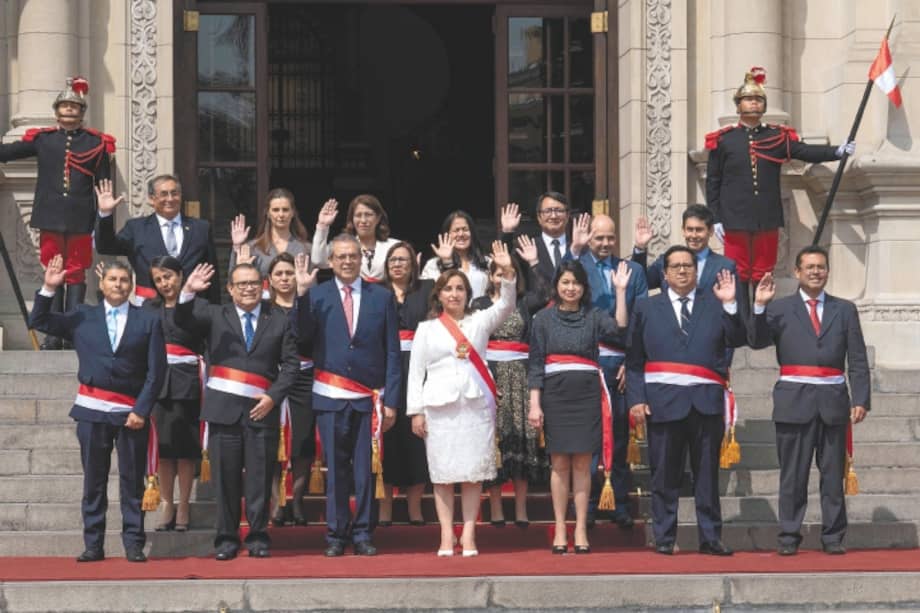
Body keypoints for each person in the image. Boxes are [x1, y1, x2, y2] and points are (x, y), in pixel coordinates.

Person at [29, 256, 166, 562]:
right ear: (101, 284)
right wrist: (49, 288)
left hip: (131, 413)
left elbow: (157, 371)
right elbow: (39, 322)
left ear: (130, 286)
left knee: (132, 481)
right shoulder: (82, 315)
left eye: (124, 281)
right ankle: (93, 544)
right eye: (113, 280)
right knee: (94, 481)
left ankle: (133, 543)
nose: (118, 285)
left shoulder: (148, 319)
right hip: (92, 411)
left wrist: (142, 410)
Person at [625, 246, 747, 556]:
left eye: (688, 266)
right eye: (675, 266)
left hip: (705, 403)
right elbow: (635, 360)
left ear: (697, 271)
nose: (682, 271)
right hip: (662, 403)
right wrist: (636, 399)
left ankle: (710, 538)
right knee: (664, 474)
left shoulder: (717, 304)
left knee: (707, 475)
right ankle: (665, 537)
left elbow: (738, 338)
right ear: (664, 274)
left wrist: (731, 303)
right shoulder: (645, 307)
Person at [749, 246, 870, 555]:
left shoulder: (844, 309)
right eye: (810, 267)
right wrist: (760, 307)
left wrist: (862, 398)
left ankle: (833, 538)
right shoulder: (780, 308)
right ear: (797, 272)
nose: (816, 271)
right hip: (794, 402)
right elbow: (757, 340)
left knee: (832, 476)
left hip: (832, 402)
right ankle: (789, 537)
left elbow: (856, 357)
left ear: (827, 271)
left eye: (821, 267)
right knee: (793, 475)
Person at [176, 262, 299, 560]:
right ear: (230, 289)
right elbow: (182, 321)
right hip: (223, 412)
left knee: (259, 479)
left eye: (254, 283)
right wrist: (187, 292)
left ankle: (258, 537)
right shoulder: (215, 315)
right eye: (241, 284)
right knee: (225, 479)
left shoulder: (279, 319)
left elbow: (292, 365)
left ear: (264, 285)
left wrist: (273, 396)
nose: (248, 288)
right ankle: (227, 539)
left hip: (262, 411)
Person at [705, 67, 855, 308]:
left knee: (764, 272)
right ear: (738, 105)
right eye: (748, 99)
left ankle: (762, 322)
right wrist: (715, 218)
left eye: (758, 99)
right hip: (734, 217)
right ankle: (742, 327)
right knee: (738, 273)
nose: (754, 103)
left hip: (767, 216)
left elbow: (804, 151)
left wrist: (836, 152)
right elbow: (713, 181)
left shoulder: (776, 137)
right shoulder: (723, 140)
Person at [407, 241, 517, 557]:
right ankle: (445, 535)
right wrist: (416, 411)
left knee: (472, 473)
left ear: (468, 293)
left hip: (475, 406)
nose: (454, 294)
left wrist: (507, 272)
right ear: (438, 295)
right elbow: (416, 373)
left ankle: (468, 534)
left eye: (460, 288)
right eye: (448, 289)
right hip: (438, 408)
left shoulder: (479, 320)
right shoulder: (426, 329)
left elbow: (507, 305)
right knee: (442, 475)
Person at [294, 234, 401, 557]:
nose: (347, 261)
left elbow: (393, 352)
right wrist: (300, 295)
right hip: (330, 396)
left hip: (369, 399)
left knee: (365, 469)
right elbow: (300, 338)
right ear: (330, 261)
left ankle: (364, 533)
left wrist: (392, 401)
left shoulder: (381, 297)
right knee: (337, 470)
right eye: (340, 256)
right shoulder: (317, 296)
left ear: (361, 259)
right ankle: (337, 535)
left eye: (353, 256)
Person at [1, 77, 115, 349]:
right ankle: (53, 333)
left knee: (75, 273)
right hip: (50, 215)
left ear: (81, 111)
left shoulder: (96, 144)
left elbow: (103, 184)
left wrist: (104, 214)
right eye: (63, 106)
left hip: (80, 217)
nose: (68, 110)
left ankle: (72, 332)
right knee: (53, 271)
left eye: (73, 106)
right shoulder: (44, 140)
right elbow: (9, 152)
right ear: (56, 111)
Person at [527, 260, 630, 554]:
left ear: (584, 288)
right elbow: (535, 364)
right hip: (555, 395)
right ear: (557, 286)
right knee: (559, 464)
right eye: (565, 283)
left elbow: (620, 328)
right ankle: (560, 525)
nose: (570, 288)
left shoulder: (594, 316)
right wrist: (535, 404)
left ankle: (581, 526)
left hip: (586, 394)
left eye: (576, 283)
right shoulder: (542, 320)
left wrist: (620, 291)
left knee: (583, 464)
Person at [567, 213, 648, 528]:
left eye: (609, 237)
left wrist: (633, 361)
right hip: (586, 363)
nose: (604, 243)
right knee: (587, 437)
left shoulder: (633, 270)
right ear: (589, 239)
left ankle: (619, 502)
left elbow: (640, 320)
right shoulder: (577, 269)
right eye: (598, 237)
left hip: (620, 366)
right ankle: (584, 504)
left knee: (618, 435)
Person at [473, 235, 550, 527]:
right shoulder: (479, 303)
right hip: (490, 377)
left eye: (507, 271)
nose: (501, 275)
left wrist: (532, 263)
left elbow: (546, 292)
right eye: (497, 271)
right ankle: (495, 507)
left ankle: (520, 508)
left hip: (520, 375)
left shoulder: (524, 302)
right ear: (490, 276)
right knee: (495, 444)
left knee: (521, 444)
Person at [143, 256, 206, 533]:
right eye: (158, 279)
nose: (164, 283)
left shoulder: (198, 306)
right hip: (158, 384)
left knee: (185, 449)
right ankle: (167, 502)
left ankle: (183, 504)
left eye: (168, 276)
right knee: (164, 449)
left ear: (180, 275)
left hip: (187, 383)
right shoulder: (149, 308)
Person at [94, 174, 221, 304]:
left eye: (174, 193)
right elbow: (105, 246)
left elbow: (212, 273)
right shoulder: (136, 228)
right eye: (164, 194)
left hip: (192, 306)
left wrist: (215, 311)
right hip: (150, 306)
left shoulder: (201, 228)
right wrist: (105, 214)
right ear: (151, 199)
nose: (170, 199)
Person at [379, 242, 431, 526]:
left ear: (413, 264)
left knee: (417, 440)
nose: (398, 264)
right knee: (388, 439)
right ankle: (385, 508)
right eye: (393, 260)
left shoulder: (426, 289)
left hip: (419, 367)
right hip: (386, 369)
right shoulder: (377, 292)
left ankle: (415, 508)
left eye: (403, 260)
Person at [264, 252, 316, 527]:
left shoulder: (308, 304)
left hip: (305, 380)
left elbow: (309, 337)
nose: (285, 278)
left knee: (302, 443)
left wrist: (303, 297)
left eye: (289, 273)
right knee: (274, 443)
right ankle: (277, 502)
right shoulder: (263, 309)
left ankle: (296, 500)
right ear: (270, 280)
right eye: (279, 274)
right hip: (273, 381)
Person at [633, 205, 737, 295]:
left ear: (711, 231)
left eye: (699, 230)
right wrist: (640, 247)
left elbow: (735, 307)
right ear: (683, 230)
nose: (694, 235)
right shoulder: (665, 260)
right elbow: (640, 283)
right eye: (690, 229)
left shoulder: (725, 266)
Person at [311, 194, 400, 282]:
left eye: (368, 215)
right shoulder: (341, 246)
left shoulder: (394, 246)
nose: (363, 220)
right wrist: (322, 226)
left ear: (378, 218)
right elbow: (318, 261)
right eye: (358, 215)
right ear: (352, 219)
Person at [229, 188, 312, 281]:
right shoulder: (253, 248)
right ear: (268, 213)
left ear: (292, 212)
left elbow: (311, 286)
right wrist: (237, 247)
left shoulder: (305, 248)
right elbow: (233, 282)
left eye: (285, 210)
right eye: (276, 210)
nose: (281, 214)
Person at [499, 193, 570, 286]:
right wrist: (507, 232)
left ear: (568, 215)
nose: (553, 216)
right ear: (539, 217)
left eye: (559, 210)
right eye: (547, 211)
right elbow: (503, 261)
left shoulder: (578, 247)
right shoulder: (526, 247)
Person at [422, 210, 492, 300]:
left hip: (482, 313)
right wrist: (446, 262)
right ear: (447, 234)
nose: (461, 234)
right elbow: (428, 296)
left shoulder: (486, 262)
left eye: (465, 229)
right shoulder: (433, 264)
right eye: (456, 230)